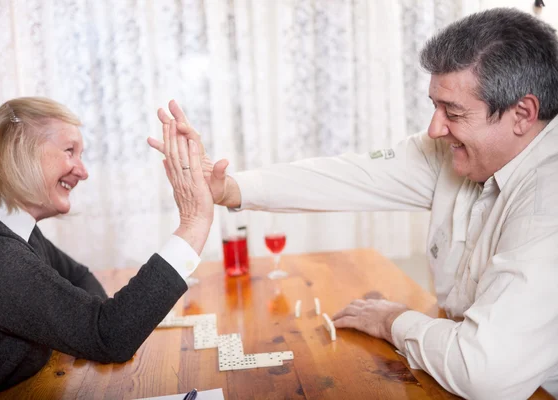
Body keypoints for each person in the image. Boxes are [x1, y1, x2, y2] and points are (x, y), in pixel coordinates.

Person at [153, 8, 558, 399]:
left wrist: (392, 320)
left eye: (452, 112)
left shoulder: (549, 198)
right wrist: (231, 189)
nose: (435, 128)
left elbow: (484, 373)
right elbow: (348, 176)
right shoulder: (454, 150)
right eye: (435, 106)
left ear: (522, 114)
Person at [0, 97, 213, 399]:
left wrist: (78, 329)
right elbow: (111, 336)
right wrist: (193, 223)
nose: (83, 171)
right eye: (70, 151)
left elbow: (79, 276)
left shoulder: (5, 224)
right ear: (18, 149)